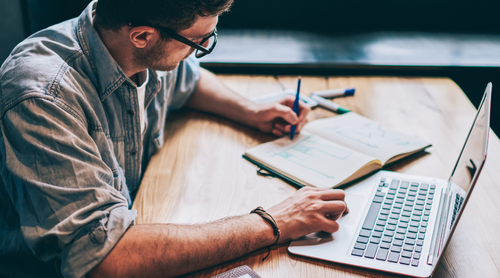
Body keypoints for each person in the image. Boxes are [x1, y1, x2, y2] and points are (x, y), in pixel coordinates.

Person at [0, 0, 348, 277]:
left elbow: (188, 81)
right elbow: (106, 260)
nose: (199, 51)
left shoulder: (136, 45)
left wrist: (250, 110)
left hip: (138, 218)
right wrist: (273, 222)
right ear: (142, 36)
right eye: (197, 42)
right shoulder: (43, 98)